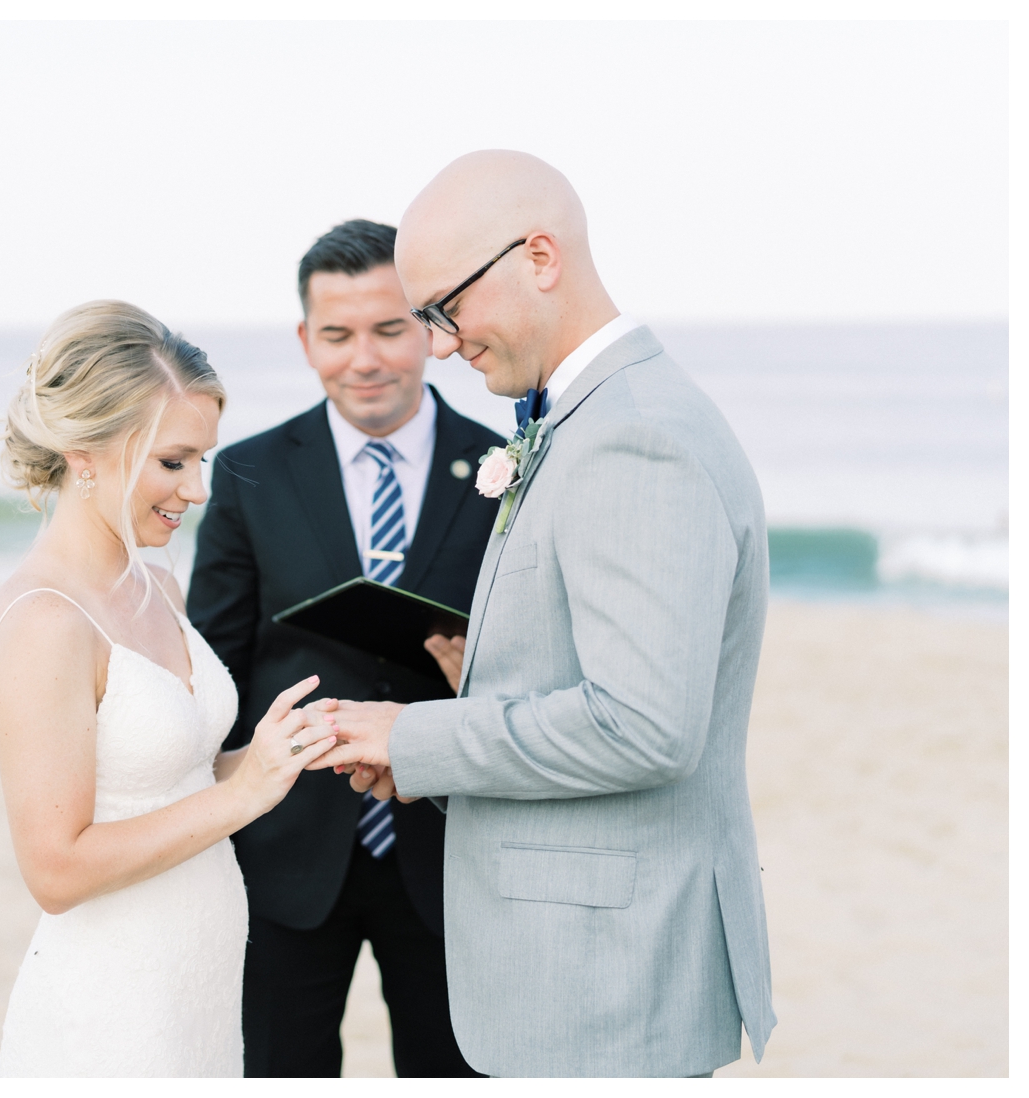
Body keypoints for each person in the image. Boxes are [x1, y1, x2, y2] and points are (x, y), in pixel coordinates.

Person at [310, 152, 777, 1077]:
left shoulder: (633, 435)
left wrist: (419, 738)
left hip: (605, 986)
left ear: (540, 256)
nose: (438, 346)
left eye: (445, 309)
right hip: (580, 974)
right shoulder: (585, 417)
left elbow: (644, 727)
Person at [0, 300, 339, 1077]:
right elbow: (55, 870)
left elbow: (173, 782)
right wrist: (242, 801)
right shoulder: (46, 622)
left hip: (197, 994)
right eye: (174, 462)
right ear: (86, 455)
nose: (199, 489)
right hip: (112, 1006)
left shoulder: (157, 582)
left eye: (202, 460)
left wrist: (279, 754)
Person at [186, 220, 500, 1077]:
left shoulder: (506, 467)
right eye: (338, 334)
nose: (365, 358)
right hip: (286, 850)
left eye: (390, 328)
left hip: (449, 846)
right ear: (306, 340)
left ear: (432, 330)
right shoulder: (250, 472)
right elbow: (213, 664)